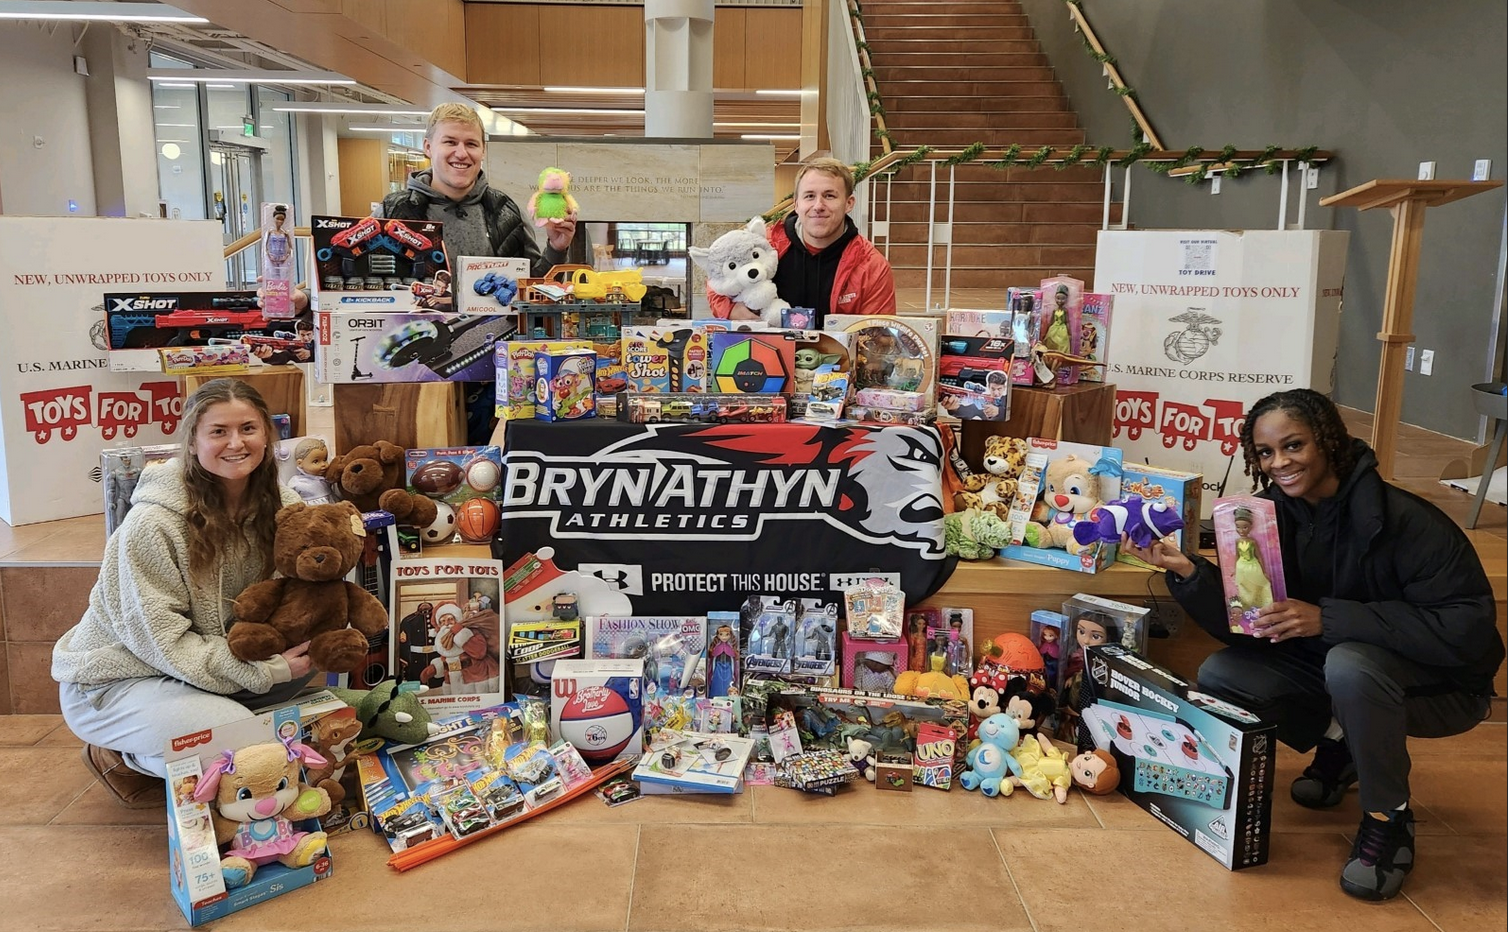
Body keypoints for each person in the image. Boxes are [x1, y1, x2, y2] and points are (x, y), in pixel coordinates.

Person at [1121, 388, 1503, 902]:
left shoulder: (1409, 522)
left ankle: (1387, 819)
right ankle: (1343, 743)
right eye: (1265, 452)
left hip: (1444, 686)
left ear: (1328, 441)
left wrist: (1328, 619)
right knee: (1222, 674)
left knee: (1351, 665)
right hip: (1336, 670)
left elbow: (1469, 630)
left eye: (1293, 445)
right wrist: (1189, 572)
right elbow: (1249, 624)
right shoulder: (1265, 520)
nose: (1279, 462)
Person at [52, 379, 310, 808]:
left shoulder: (280, 508)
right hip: (120, 678)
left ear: (267, 434)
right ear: (192, 441)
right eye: (218, 431)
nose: (236, 443)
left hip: (201, 671)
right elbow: (160, 640)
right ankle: (127, 756)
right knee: (246, 752)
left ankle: (187, 733)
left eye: (248, 428)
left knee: (304, 690)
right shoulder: (152, 523)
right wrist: (266, 671)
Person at [707, 157, 895, 326]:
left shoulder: (871, 266)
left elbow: (877, 334)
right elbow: (717, 279)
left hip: (837, 361)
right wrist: (729, 310)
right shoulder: (765, 245)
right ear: (796, 204)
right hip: (766, 356)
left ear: (849, 203)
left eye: (829, 196)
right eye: (809, 196)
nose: (818, 206)